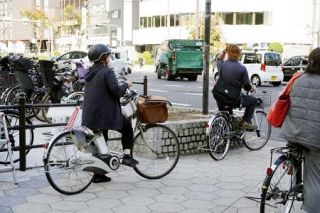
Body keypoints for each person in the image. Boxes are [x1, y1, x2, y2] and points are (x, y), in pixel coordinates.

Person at [82, 44, 139, 183]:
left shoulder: (89, 72)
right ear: (102, 58)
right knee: (126, 126)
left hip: (90, 115)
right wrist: (127, 85)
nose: (109, 58)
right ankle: (127, 156)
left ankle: (98, 175)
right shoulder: (107, 72)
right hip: (103, 115)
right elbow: (117, 91)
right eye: (107, 55)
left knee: (102, 141)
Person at [279, 47, 320, 213]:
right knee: (315, 178)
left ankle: (291, 164)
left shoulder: (298, 78)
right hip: (314, 140)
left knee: (297, 149)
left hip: (292, 133)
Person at [212, 44, 257, 130]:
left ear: (228, 54)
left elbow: (219, 59)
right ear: (239, 55)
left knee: (227, 116)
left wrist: (224, 51)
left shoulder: (222, 65)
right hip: (232, 98)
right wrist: (252, 87)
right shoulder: (242, 68)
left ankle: (226, 136)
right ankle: (244, 122)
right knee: (253, 101)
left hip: (219, 96)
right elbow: (246, 86)